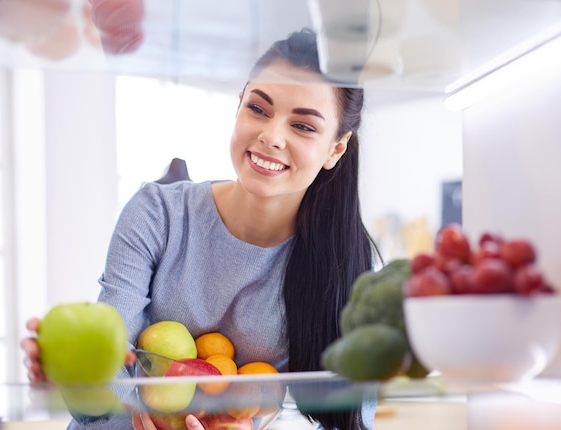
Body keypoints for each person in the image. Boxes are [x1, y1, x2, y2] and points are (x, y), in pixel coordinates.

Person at [20, 28, 379, 430]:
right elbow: (101, 397)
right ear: (239, 105)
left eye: (304, 127)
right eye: (258, 108)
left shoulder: (344, 259)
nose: (270, 136)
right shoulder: (157, 215)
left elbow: (352, 419)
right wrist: (76, 375)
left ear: (336, 148)